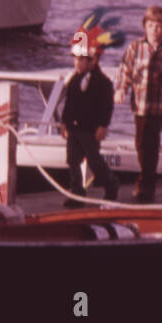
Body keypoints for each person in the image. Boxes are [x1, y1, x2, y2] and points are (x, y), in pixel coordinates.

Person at [114, 5, 162, 203]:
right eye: (151, 26)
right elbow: (125, 71)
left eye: (159, 27)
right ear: (144, 27)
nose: (154, 30)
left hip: (160, 105)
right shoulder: (135, 48)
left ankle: (147, 184)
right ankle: (146, 177)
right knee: (140, 143)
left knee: (151, 143)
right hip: (140, 103)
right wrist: (121, 89)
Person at [60, 16, 120, 205]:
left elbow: (106, 107)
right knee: (72, 160)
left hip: (90, 128)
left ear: (93, 60)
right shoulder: (74, 80)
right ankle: (77, 192)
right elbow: (68, 104)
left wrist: (103, 125)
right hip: (74, 127)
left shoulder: (102, 82)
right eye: (76, 59)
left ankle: (110, 183)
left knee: (94, 160)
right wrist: (64, 123)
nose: (78, 63)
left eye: (83, 59)